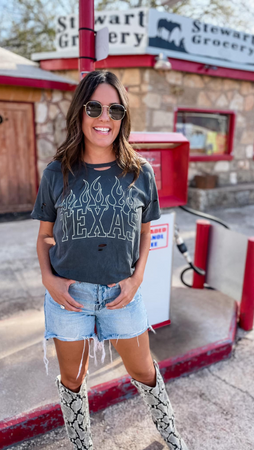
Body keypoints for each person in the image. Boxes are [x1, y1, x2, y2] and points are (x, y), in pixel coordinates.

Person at [31, 70, 188, 450]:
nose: (105, 117)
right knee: (73, 377)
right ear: (80, 112)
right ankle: (82, 446)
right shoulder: (57, 172)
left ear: (123, 117)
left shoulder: (139, 172)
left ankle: (172, 438)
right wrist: (48, 280)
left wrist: (136, 281)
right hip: (70, 298)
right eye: (95, 107)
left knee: (144, 371)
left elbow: (147, 233)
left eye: (115, 109)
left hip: (122, 293)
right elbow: (44, 237)